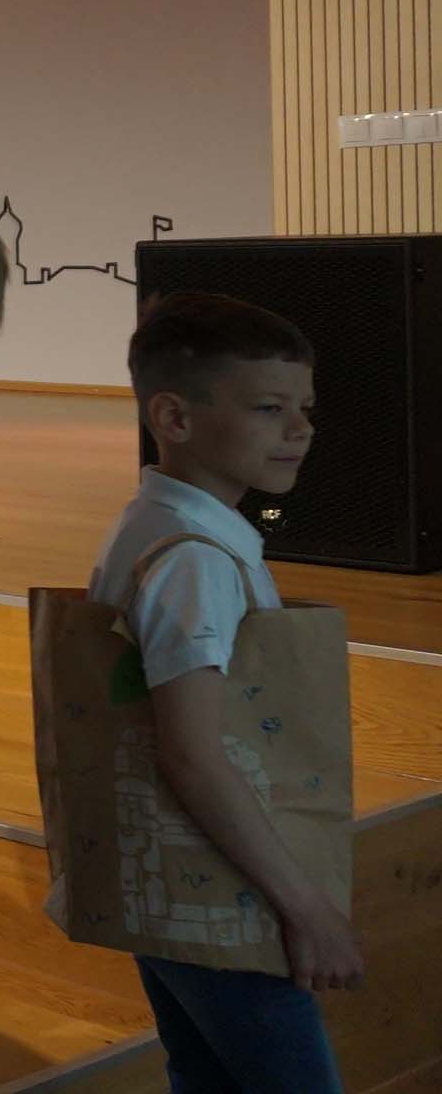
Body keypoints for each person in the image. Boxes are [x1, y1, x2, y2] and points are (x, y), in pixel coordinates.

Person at [93, 292, 357, 1091]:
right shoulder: (196, 560)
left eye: (306, 408)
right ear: (173, 417)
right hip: (222, 891)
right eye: (270, 409)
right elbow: (193, 754)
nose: (301, 429)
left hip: (167, 886)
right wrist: (307, 907)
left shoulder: (148, 523)